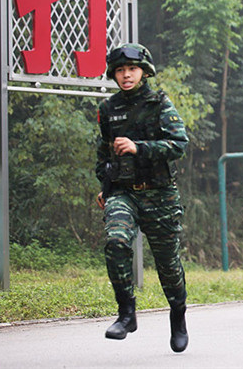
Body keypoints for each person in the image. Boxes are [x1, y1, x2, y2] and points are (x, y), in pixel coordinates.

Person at [95, 43, 190, 353]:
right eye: (120, 71)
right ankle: (126, 313)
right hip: (123, 192)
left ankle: (178, 315)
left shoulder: (159, 103)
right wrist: (105, 186)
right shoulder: (109, 109)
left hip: (159, 195)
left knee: (168, 265)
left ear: (144, 71)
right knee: (116, 242)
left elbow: (179, 144)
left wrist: (140, 147)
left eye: (131, 70)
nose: (126, 75)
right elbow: (103, 152)